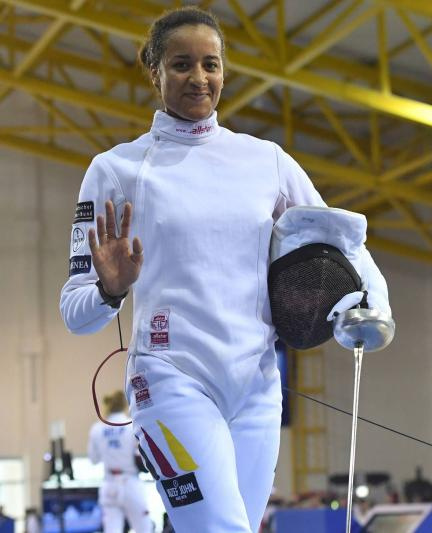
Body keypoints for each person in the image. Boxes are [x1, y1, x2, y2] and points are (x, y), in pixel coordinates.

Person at [59, 6, 390, 533]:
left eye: (210, 64)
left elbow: (340, 239)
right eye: (181, 64)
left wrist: (374, 305)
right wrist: (108, 289)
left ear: (223, 71)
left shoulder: (266, 161)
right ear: (155, 71)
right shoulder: (117, 170)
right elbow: (75, 313)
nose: (199, 77)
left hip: (257, 386)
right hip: (167, 380)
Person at [88, 391, 152, 533]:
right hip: (131, 482)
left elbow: (93, 459)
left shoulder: (97, 428)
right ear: (125, 405)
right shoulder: (132, 426)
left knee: (112, 529)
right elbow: (142, 456)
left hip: (109, 483)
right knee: (144, 529)